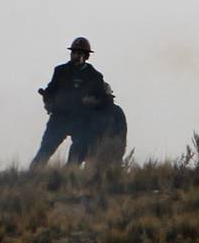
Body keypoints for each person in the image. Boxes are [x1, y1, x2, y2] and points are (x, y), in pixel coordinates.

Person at [31, 37, 106, 168]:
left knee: (77, 154)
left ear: (86, 56)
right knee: (45, 149)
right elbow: (51, 90)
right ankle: (32, 177)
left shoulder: (95, 76)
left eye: (80, 53)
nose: (76, 55)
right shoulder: (60, 71)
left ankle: (69, 178)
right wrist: (47, 99)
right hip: (59, 117)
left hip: (81, 121)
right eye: (74, 52)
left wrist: (92, 102)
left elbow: (103, 101)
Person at [86, 83, 128, 167]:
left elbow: (122, 134)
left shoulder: (116, 112)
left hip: (112, 154)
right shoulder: (89, 112)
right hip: (92, 155)